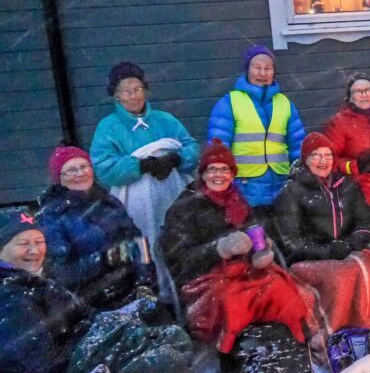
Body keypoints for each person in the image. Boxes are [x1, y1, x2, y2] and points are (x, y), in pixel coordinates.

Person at [0, 207, 210, 373]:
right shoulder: (10, 296)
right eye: (22, 244)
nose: (34, 250)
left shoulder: (33, 279)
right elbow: (41, 368)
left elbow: (81, 315)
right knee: (163, 361)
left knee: (172, 336)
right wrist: (106, 336)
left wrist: (113, 322)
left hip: (78, 359)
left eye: (39, 241)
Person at [160, 139, 317, 354]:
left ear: (232, 174)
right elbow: (177, 257)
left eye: (224, 169)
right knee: (235, 301)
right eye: (212, 169)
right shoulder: (185, 207)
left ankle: (293, 344)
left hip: (244, 271)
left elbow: (254, 233)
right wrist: (217, 249)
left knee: (280, 289)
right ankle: (236, 352)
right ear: (202, 174)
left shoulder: (238, 201)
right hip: (204, 278)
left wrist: (260, 251)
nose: (218, 175)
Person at [274, 132, 370, 350]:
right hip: (308, 260)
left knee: (368, 269)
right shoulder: (292, 191)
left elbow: (367, 224)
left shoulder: (347, 185)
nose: (323, 161)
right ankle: (333, 334)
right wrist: (327, 251)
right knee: (342, 277)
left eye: (327, 155)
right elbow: (290, 241)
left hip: (346, 251)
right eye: (316, 155)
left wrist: (350, 244)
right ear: (305, 159)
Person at [89, 62, 199, 302]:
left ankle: (184, 289)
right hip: (136, 199)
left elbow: (191, 146)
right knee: (143, 242)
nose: (134, 95)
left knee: (176, 237)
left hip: (171, 192)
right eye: (127, 90)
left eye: (138, 88)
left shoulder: (165, 120)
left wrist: (175, 158)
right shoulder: (108, 127)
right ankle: (152, 293)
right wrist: (141, 165)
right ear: (116, 96)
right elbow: (103, 167)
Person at [39, 146, 151, 311]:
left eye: (84, 167)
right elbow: (60, 272)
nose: (80, 173)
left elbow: (137, 243)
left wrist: (144, 280)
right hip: (87, 304)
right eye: (71, 170)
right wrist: (104, 259)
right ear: (59, 178)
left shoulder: (110, 202)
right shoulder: (51, 216)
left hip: (130, 293)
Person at [208, 44, 306, 208]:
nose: (262, 73)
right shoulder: (230, 102)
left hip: (280, 182)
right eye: (257, 67)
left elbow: (298, 145)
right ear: (248, 70)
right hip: (244, 185)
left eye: (267, 68)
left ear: (274, 72)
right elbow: (218, 147)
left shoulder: (285, 103)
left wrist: (299, 174)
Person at [322, 73, 370, 211]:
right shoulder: (339, 123)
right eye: (358, 91)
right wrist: (355, 166)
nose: (364, 94)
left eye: (368, 90)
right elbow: (327, 160)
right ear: (350, 97)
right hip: (354, 197)